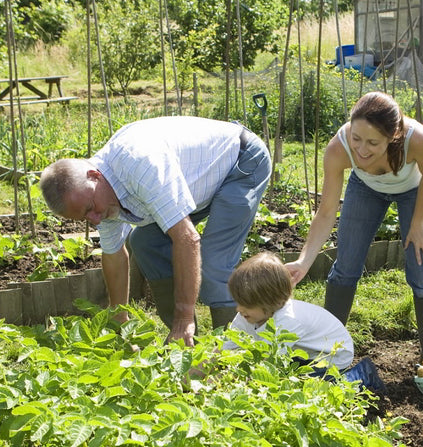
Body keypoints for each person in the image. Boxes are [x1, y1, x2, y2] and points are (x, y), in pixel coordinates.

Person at [39, 116, 271, 346]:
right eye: (84, 218)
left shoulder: (140, 165)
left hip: (240, 163)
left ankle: (234, 349)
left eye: (91, 209)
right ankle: (184, 344)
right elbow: (114, 255)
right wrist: (119, 320)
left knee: (213, 262)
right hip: (199, 181)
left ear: (95, 176)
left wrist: (185, 315)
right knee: (145, 242)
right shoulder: (98, 198)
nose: (95, 219)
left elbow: (187, 239)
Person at [284, 91, 423, 359]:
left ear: (393, 136)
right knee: (346, 266)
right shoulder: (339, 148)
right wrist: (303, 261)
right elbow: (325, 214)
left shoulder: (417, 139)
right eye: (356, 138)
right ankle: (328, 350)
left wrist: (418, 223)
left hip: (415, 189)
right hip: (366, 188)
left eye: (372, 142)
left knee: (422, 272)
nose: (361, 149)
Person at [224, 251, 354, 370]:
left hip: (331, 358)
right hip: (302, 353)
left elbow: (263, 365)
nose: (239, 309)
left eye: (247, 305)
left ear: (273, 302)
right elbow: (224, 348)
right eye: (239, 302)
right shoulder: (247, 314)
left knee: (295, 382)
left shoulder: (288, 321)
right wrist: (204, 378)